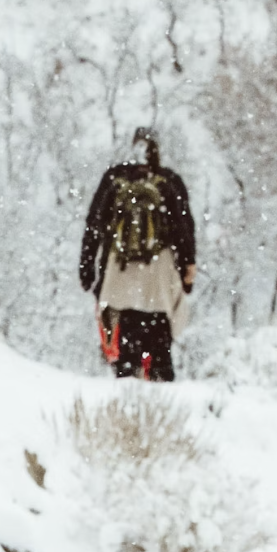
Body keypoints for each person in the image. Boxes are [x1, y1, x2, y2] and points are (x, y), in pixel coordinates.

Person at [79, 126, 196, 382]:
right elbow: (184, 227)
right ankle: (161, 392)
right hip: (158, 275)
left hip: (120, 272)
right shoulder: (169, 181)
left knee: (127, 343)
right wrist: (188, 269)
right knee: (159, 345)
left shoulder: (115, 178)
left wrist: (87, 268)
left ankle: (127, 391)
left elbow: (94, 223)